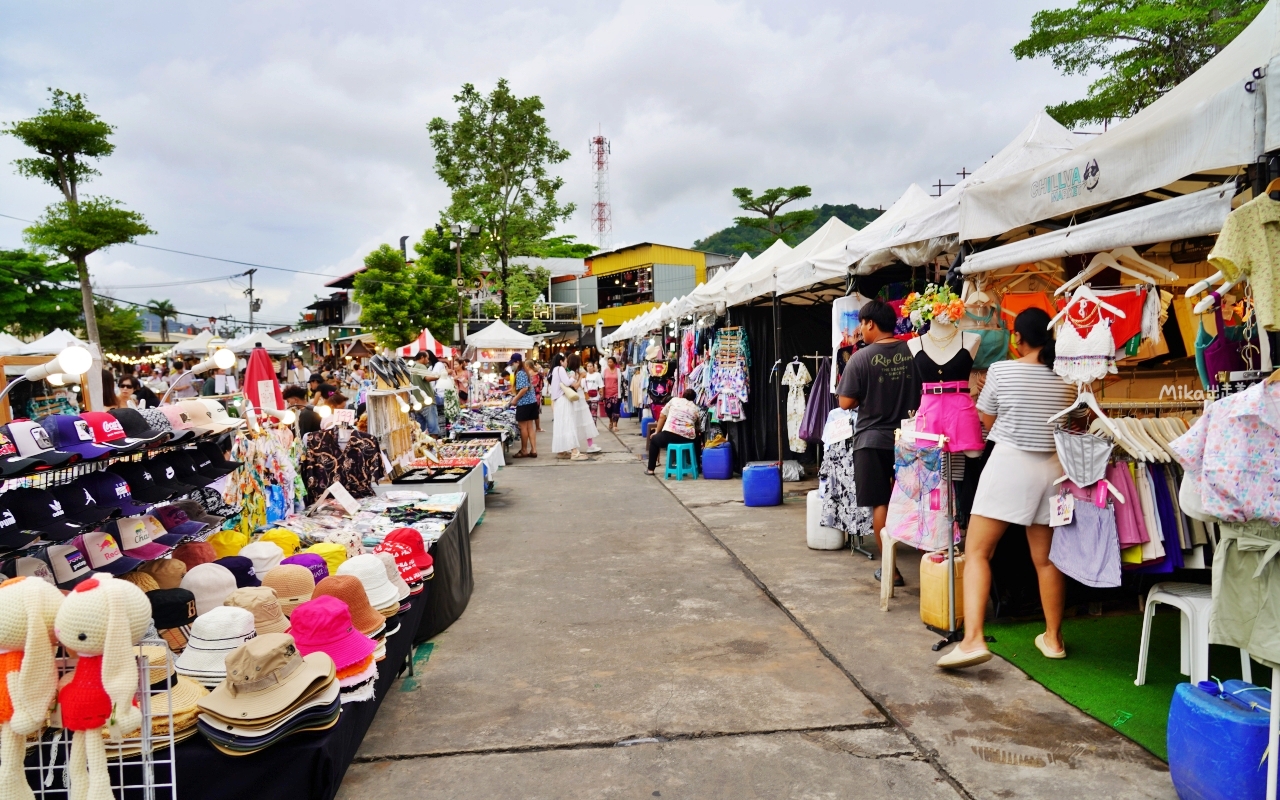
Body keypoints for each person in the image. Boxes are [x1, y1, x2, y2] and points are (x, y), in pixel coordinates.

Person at [936, 308, 1077, 669]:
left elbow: (986, 421)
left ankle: (972, 640)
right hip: (1053, 470)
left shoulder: (1001, 370)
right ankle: (1053, 638)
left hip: (1010, 464)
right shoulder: (1067, 375)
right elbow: (1077, 420)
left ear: (1017, 339)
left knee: (979, 552)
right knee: (1046, 560)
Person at [837, 299, 919, 587]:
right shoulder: (913, 351)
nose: (860, 329)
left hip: (871, 441)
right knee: (914, 501)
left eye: (861, 324)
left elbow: (845, 401)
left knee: (881, 503)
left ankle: (892, 571)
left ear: (870, 323)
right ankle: (931, 565)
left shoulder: (860, 358)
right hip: (910, 440)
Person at [646, 389, 703, 475]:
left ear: (682, 395)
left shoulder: (674, 400)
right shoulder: (696, 409)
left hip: (669, 435)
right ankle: (697, 467)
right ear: (693, 399)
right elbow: (698, 428)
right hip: (687, 438)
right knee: (697, 440)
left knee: (654, 441)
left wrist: (657, 432)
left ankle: (650, 469)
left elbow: (662, 416)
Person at [549, 354, 592, 460]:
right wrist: (572, 378)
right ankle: (574, 451)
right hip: (564, 400)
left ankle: (561, 450)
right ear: (561, 361)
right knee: (568, 424)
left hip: (557, 401)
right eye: (565, 361)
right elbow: (567, 382)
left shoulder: (554, 370)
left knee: (561, 425)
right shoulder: (560, 369)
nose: (567, 363)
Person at [510, 358, 539, 458]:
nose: (512, 366)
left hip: (524, 403)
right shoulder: (525, 372)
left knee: (523, 427)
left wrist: (515, 399)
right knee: (530, 427)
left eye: (512, 363)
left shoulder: (520, 373)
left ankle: (524, 450)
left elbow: (524, 388)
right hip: (532, 402)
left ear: (517, 362)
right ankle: (534, 450)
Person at [601, 356, 623, 432]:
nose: (609, 363)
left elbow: (621, 382)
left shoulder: (618, 371)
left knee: (616, 409)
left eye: (611, 362)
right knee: (608, 410)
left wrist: (621, 394)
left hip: (616, 394)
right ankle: (610, 420)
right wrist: (602, 393)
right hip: (607, 394)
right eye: (608, 362)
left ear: (614, 363)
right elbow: (601, 383)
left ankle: (615, 424)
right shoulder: (604, 371)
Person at [529, 359, 545, 432]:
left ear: (528, 366)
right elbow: (542, 385)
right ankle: (538, 427)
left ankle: (530, 428)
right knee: (536, 412)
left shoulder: (527, 374)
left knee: (529, 411)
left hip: (529, 394)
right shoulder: (538, 374)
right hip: (537, 394)